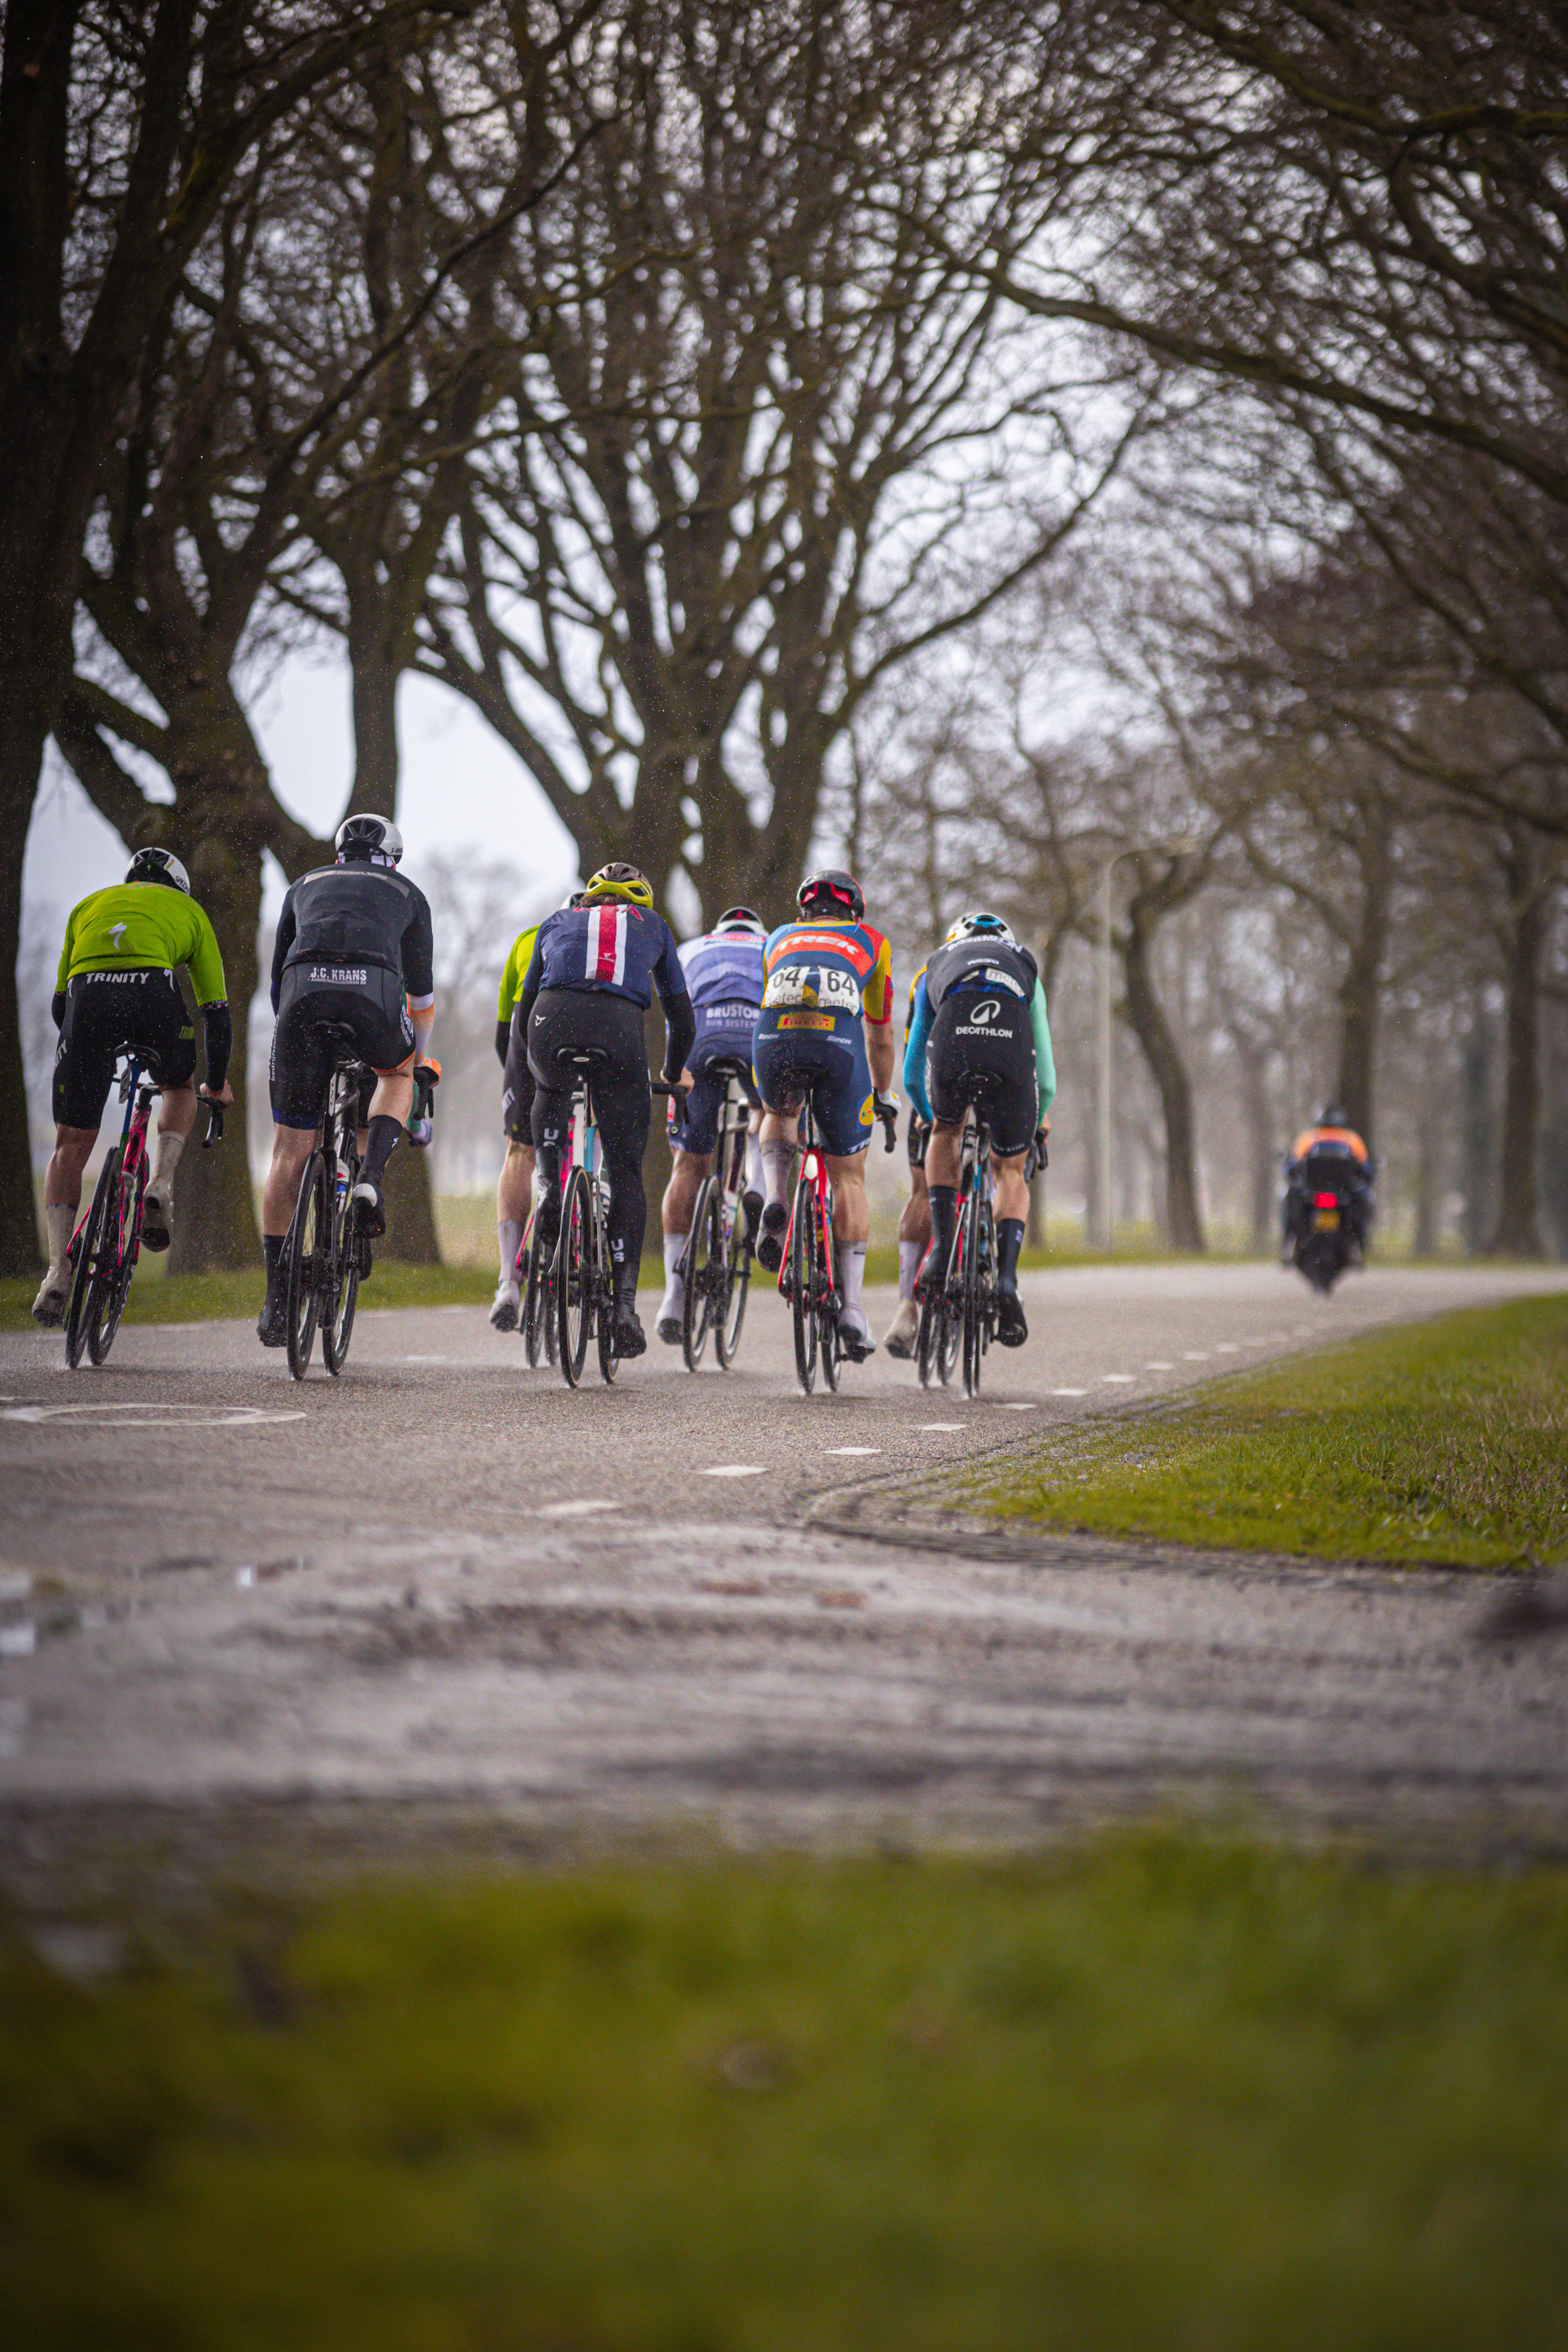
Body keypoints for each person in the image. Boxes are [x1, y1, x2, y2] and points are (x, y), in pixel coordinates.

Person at [34, 848, 234, 1325]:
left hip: (88, 1004)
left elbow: (61, 1006)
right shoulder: (189, 911)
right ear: (178, 887)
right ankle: (161, 1184)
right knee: (179, 1087)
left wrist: (89, 1057)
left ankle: (56, 1272)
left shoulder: (88, 905)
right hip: (151, 997)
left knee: (68, 1144)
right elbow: (216, 1010)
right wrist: (216, 1082)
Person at [258, 814, 435, 1345]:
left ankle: (274, 1302)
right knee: (397, 1075)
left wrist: (298, 1033)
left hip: (301, 996)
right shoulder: (408, 892)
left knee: (288, 1153)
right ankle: (368, 1180)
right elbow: (422, 998)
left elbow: (275, 984)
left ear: (339, 855)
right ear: (394, 859)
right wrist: (417, 1061)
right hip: (372, 992)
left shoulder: (304, 883)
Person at [514, 862, 695, 1361]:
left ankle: (551, 1187)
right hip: (617, 1028)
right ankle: (622, 1307)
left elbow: (524, 1009)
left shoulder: (556, 920)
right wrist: (672, 1072)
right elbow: (681, 1015)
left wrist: (533, 1077)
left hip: (550, 1019)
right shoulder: (653, 926)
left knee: (550, 1096)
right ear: (638, 903)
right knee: (626, 1171)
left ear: (589, 900)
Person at [752, 869, 897, 1360]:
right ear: (855, 912)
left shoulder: (777, 938)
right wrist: (882, 1093)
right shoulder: (872, 942)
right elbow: (879, 1034)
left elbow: (769, 998)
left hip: (775, 1041)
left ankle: (775, 1196)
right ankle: (852, 1308)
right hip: (839, 1050)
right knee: (848, 1179)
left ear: (803, 914)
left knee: (780, 1110)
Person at [904, 912, 1054, 1348]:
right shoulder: (1023, 964)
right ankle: (1006, 1281)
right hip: (1009, 1051)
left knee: (946, 1135)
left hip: (955, 1044)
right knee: (1009, 1168)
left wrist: (927, 1114)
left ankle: (940, 1253)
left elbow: (914, 1071)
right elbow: (1044, 1076)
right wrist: (1036, 1120)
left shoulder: (936, 963)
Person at [655, 906, 768, 1343]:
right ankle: (758, 1183)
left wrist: (674, 1073)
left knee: (686, 1164)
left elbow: (672, 1010)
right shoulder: (773, 944)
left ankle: (673, 1296)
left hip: (700, 1036)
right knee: (771, 1115)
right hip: (756, 1033)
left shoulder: (690, 948)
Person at [488, 894, 585, 1332]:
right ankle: (585, 1219)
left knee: (520, 1151)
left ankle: (508, 1279)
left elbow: (503, 1033)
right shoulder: (614, 945)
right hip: (593, 1046)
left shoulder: (529, 938)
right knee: (593, 1130)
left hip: (530, 1047)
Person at [883, 960, 932, 1359]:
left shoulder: (928, 973)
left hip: (938, 1082)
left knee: (924, 1189)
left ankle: (907, 1306)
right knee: (1006, 1167)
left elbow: (911, 1048)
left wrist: (921, 1107)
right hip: (999, 1081)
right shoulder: (1020, 973)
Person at [1281, 1101, 1374, 1263]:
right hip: (1345, 1194)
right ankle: (1358, 1245)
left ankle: (1288, 1243)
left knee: (1286, 1196)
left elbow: (1291, 1168)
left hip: (1311, 1193)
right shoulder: (1352, 1139)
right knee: (1367, 1198)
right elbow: (1367, 1170)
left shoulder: (1308, 1138)